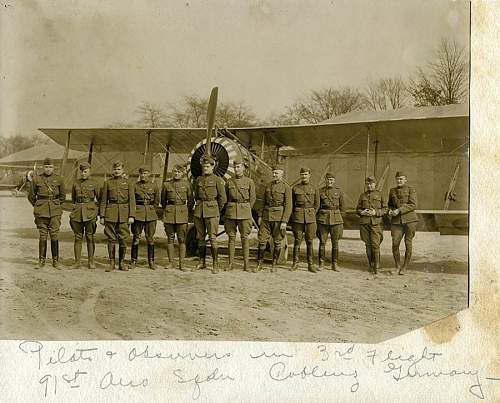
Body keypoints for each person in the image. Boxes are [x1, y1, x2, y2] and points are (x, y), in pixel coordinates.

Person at [28, 157, 66, 269]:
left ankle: (55, 261)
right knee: (43, 235)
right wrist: (38, 205)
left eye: (50, 167)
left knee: (54, 234)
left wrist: (56, 205)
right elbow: (31, 196)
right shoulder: (36, 179)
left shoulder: (59, 179)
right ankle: (41, 261)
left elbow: (62, 197)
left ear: (53, 168)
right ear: (42, 167)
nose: (48, 169)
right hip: (41, 210)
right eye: (46, 167)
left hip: (54, 211)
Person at [192, 155, 226, 274]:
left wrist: (216, 210)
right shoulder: (199, 180)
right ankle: (202, 262)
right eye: (204, 166)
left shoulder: (218, 180)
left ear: (213, 167)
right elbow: (196, 195)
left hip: (212, 211)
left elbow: (223, 199)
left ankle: (215, 264)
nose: (205, 168)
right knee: (200, 237)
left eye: (207, 166)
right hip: (199, 211)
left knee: (212, 238)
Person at [99, 161, 135, 272]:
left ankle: (121, 262)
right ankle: (111, 263)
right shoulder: (107, 183)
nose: (116, 171)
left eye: (119, 169)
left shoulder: (128, 183)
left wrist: (131, 215)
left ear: (123, 170)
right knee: (111, 238)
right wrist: (102, 216)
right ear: (112, 170)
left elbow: (132, 201)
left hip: (124, 214)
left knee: (123, 239)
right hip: (111, 214)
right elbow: (103, 201)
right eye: (115, 169)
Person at [257, 164, 292, 273]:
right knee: (262, 240)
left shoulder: (286, 187)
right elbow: (263, 202)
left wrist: (284, 221)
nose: (274, 175)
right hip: (266, 217)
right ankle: (260, 264)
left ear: (282, 174)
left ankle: (274, 264)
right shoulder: (268, 186)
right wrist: (260, 216)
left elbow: (288, 206)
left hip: (278, 217)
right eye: (273, 173)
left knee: (277, 241)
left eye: (276, 173)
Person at [224, 158, 256, 272]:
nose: (237, 169)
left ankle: (246, 265)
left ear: (243, 168)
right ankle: (230, 264)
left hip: (245, 213)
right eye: (235, 167)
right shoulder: (229, 181)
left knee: (244, 238)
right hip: (231, 212)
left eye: (239, 167)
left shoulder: (249, 182)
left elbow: (252, 199)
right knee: (231, 238)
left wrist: (246, 209)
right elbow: (226, 198)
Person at [161, 164, 194, 271]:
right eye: (175, 171)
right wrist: (168, 209)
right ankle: (171, 262)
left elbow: (191, 201)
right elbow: (163, 201)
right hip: (170, 213)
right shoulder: (166, 185)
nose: (176, 173)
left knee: (181, 239)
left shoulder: (187, 185)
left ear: (182, 173)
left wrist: (184, 211)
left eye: (179, 172)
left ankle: (181, 264)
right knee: (170, 239)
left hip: (182, 214)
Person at [69, 162, 101, 270]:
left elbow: (100, 200)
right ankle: (77, 262)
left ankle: (91, 262)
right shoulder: (75, 183)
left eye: (85, 171)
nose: (83, 173)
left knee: (90, 236)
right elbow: (73, 199)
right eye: (82, 171)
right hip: (77, 213)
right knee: (78, 237)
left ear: (89, 171)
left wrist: (96, 212)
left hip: (90, 212)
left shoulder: (95, 183)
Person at [388, 171, 418, 275]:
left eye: (401, 179)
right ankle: (397, 266)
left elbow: (413, 205)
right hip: (396, 222)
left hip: (410, 221)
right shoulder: (392, 191)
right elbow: (390, 205)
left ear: (405, 180)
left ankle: (405, 267)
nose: (399, 181)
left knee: (408, 244)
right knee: (395, 244)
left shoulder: (411, 190)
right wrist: (390, 210)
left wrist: (399, 210)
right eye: (397, 179)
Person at [356, 176, 388, 275]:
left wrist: (376, 212)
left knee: (375, 245)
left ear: (375, 184)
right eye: (367, 184)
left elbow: (385, 209)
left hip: (376, 223)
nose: (369, 186)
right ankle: (370, 264)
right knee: (368, 245)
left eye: (371, 184)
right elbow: (357, 209)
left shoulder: (380, 195)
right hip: (365, 223)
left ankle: (377, 267)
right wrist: (362, 212)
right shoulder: (362, 196)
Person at [131, 165, 160, 270]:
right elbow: (132, 201)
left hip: (151, 214)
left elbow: (156, 202)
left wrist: (152, 210)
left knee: (150, 239)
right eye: (141, 173)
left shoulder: (154, 186)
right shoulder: (135, 186)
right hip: (138, 213)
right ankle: (133, 260)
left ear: (149, 174)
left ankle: (151, 261)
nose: (143, 175)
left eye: (145, 173)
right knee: (136, 238)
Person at [291, 167, 320, 273]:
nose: (304, 176)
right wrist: (296, 215)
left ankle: (310, 264)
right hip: (298, 218)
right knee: (297, 241)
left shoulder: (314, 188)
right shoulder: (295, 188)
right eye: (302, 174)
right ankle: (295, 263)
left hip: (310, 218)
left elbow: (317, 204)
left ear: (309, 175)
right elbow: (292, 204)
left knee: (309, 241)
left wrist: (311, 214)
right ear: (300, 175)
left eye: (306, 174)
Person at [317, 172, 345, 271]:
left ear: (334, 181)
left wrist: (340, 220)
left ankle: (334, 263)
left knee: (335, 243)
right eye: (328, 180)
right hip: (323, 219)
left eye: (331, 180)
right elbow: (317, 206)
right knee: (322, 242)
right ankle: (321, 263)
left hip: (336, 219)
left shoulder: (339, 191)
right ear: (325, 180)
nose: (329, 181)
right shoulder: (320, 191)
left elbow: (342, 207)